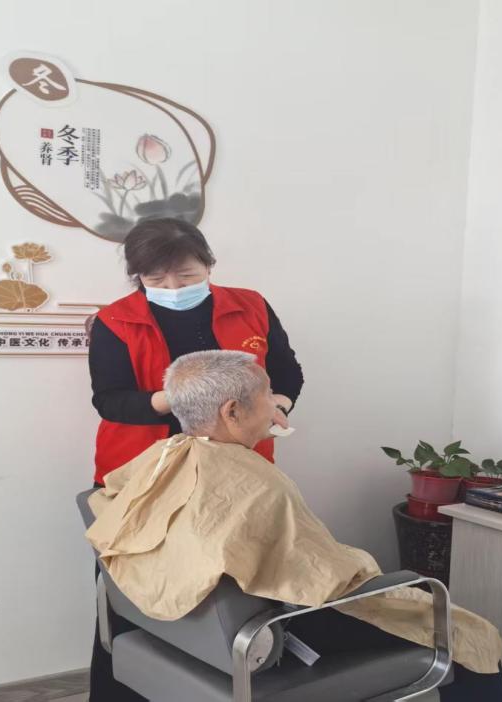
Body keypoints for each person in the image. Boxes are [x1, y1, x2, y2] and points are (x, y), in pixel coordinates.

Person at [86, 351, 502, 701]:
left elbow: (112, 507)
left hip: (205, 632)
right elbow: (322, 582)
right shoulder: (256, 485)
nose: (275, 404)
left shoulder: (162, 458)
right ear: (232, 411)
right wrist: (369, 574)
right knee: (469, 632)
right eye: (268, 394)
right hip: (278, 626)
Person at [86, 218, 304, 701]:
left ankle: (227, 683)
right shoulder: (115, 321)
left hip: (235, 471)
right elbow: (110, 400)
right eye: (156, 279)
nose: (173, 288)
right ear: (138, 277)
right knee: (132, 593)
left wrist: (277, 404)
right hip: (145, 473)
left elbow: (287, 372)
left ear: (208, 264)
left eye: (186, 275)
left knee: (231, 590)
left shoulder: (251, 306)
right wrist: (181, 397)